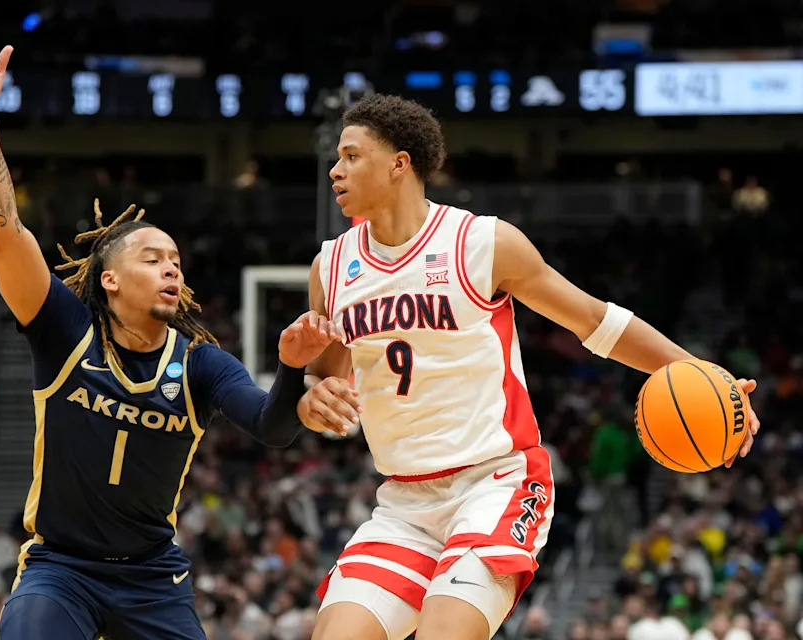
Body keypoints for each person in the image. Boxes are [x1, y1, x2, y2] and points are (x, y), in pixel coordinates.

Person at [297, 94, 762, 640]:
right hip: (403, 502)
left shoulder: (481, 243)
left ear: (400, 163)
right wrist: (310, 398)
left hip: (495, 482)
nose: (336, 168)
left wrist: (703, 373)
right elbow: (323, 386)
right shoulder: (331, 269)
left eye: (351, 155)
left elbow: (595, 321)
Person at [0, 17, 344, 640]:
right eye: (151, 259)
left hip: (154, 578)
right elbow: (2, 230)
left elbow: (274, 427)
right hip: (60, 570)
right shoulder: (62, 329)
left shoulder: (202, 363)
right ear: (109, 278)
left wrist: (293, 368)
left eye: (176, 261)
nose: (170, 268)